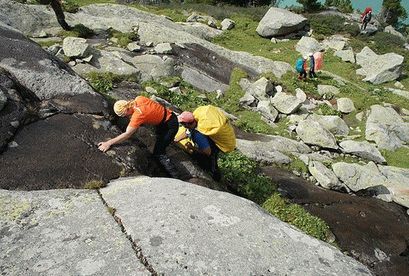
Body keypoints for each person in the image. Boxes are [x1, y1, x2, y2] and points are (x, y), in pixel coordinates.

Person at [98, 96, 179, 177]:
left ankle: (176, 177)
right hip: (169, 116)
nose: (125, 117)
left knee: (159, 152)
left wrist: (109, 143)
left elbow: (127, 134)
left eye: (124, 115)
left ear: (126, 111)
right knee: (159, 141)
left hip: (170, 126)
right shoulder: (139, 98)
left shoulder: (138, 115)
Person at [174, 106, 236, 181]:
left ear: (187, 124)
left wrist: (192, 148)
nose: (183, 125)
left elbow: (207, 152)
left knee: (211, 166)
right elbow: (187, 132)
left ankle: (215, 181)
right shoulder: (195, 123)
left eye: (183, 124)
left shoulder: (198, 135)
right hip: (209, 145)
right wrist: (176, 140)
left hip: (209, 151)